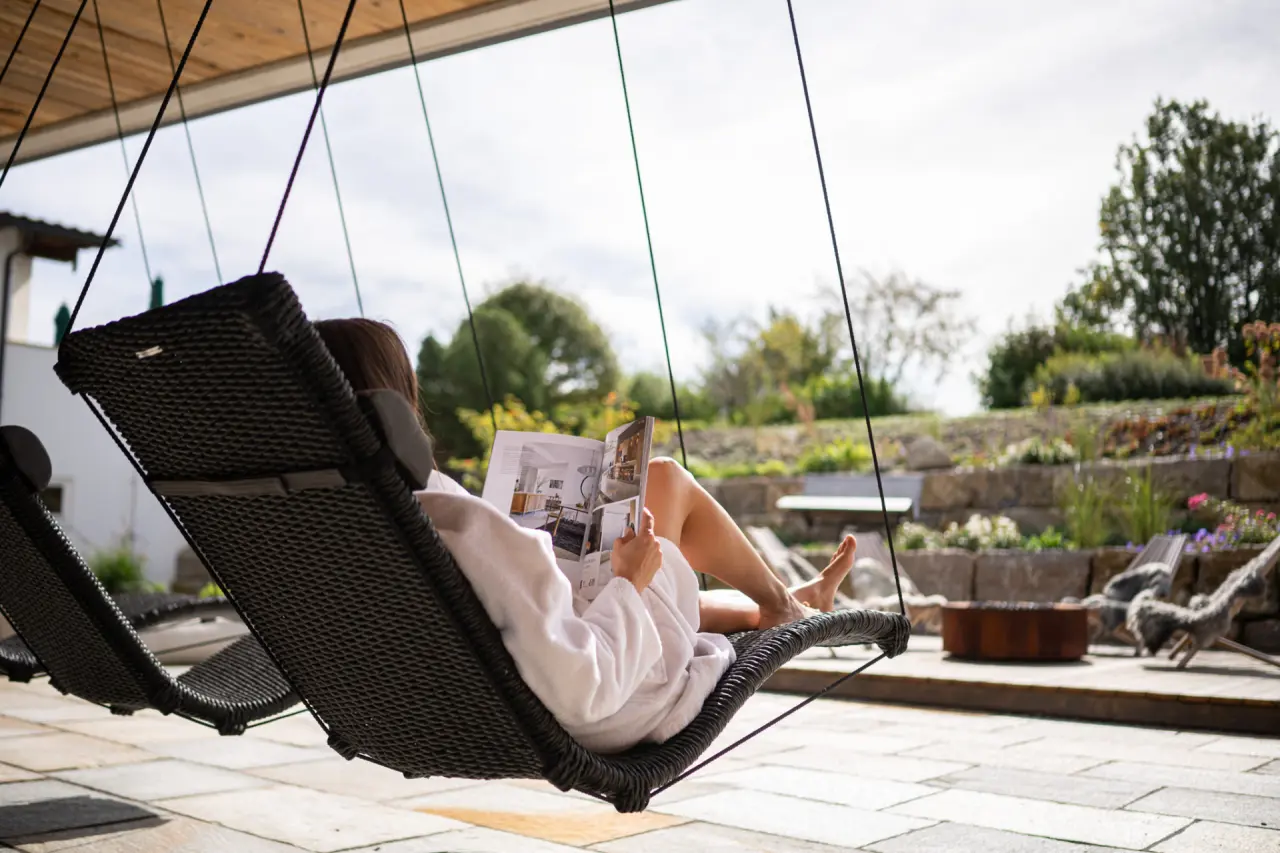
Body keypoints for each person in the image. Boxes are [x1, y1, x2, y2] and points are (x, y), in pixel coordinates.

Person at [315, 317, 857, 753]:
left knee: (625, 562)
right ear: (396, 404)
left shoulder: (331, 526)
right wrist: (627, 583)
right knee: (664, 482)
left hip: (481, 700)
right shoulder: (451, 523)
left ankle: (786, 603)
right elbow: (582, 687)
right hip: (611, 701)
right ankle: (783, 604)